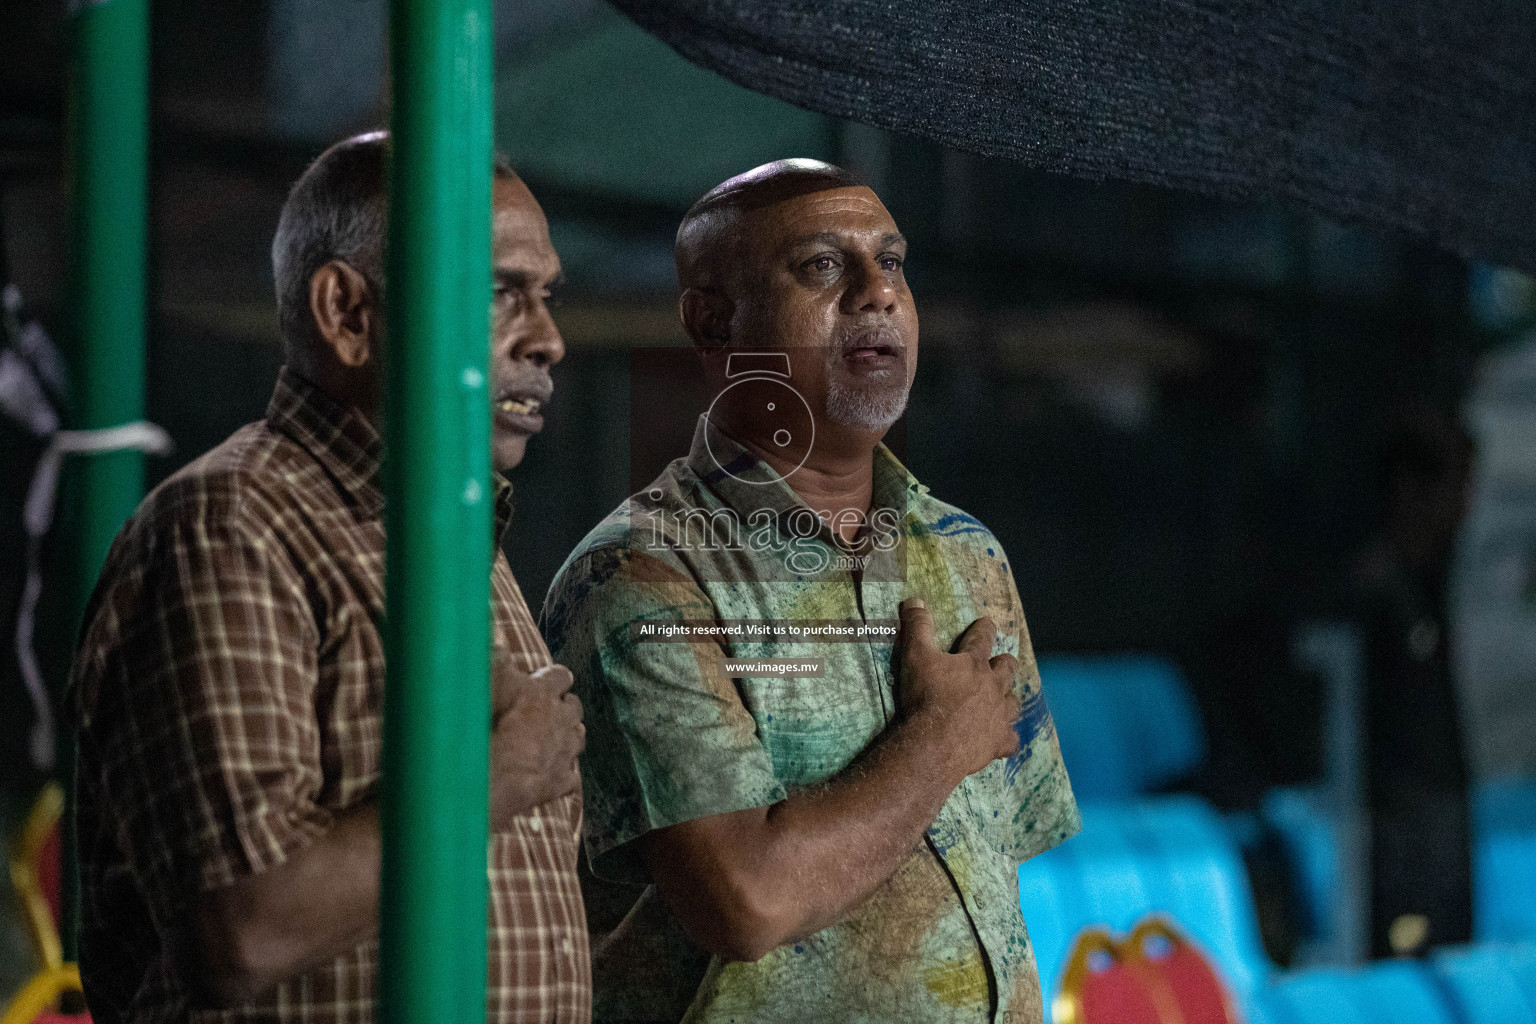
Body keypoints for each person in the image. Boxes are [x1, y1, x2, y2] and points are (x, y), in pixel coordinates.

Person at [70, 132, 590, 1023]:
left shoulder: (449, 539)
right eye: (501, 291)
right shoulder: (232, 527)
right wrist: (489, 781)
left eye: (544, 297)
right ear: (347, 311)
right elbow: (244, 933)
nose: (548, 340)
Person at [543, 160, 1079, 1023]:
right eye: (823, 267)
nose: (877, 294)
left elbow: (992, 884)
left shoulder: (966, 554)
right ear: (713, 320)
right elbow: (745, 902)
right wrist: (938, 742)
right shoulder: (644, 576)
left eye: (893, 263)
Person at [1351, 406, 1476, 958]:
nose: (1466, 505)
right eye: (1456, 485)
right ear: (1410, 489)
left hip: (1445, 817)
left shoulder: (1449, 584)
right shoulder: (1374, 596)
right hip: (1394, 831)